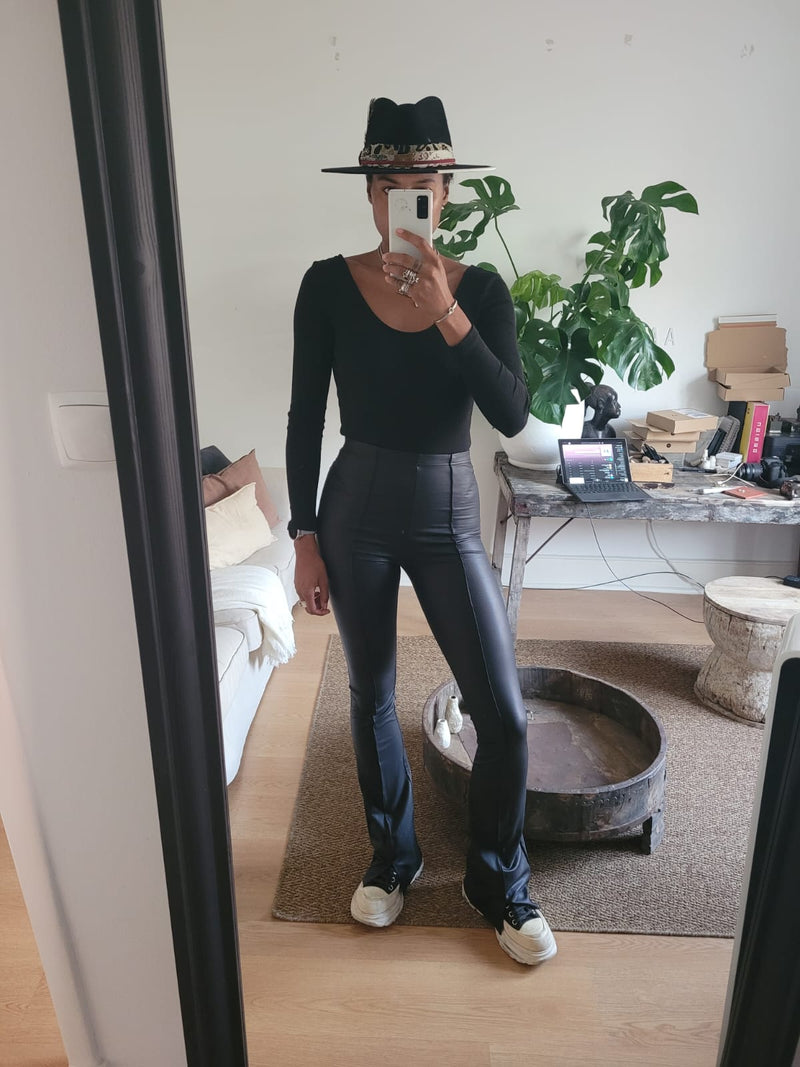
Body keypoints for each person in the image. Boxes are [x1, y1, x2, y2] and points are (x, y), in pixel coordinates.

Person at [285, 96, 557, 966]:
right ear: (371, 194)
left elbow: (511, 413)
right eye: (391, 185)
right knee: (370, 693)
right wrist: (302, 534)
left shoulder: (481, 291)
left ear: (445, 193)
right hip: (354, 507)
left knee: (502, 713)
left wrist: (448, 311)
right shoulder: (326, 285)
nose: (408, 197)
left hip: (447, 511)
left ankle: (497, 881)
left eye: (425, 185)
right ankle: (392, 858)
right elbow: (303, 417)